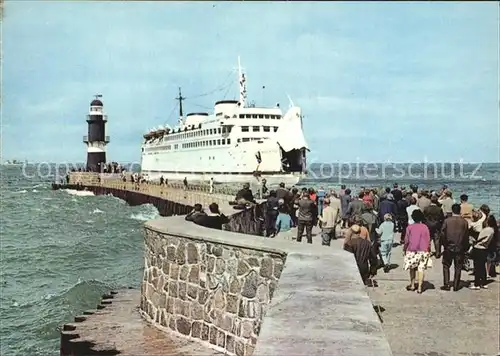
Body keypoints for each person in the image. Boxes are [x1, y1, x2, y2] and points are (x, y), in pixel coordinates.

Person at [440, 204, 469, 291]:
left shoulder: (447, 221)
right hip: (460, 247)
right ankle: (456, 285)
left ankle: (446, 284)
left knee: (446, 265)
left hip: (449, 246)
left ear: (452, 210)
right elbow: (466, 236)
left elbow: (442, 234)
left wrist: (444, 244)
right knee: (458, 267)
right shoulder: (464, 222)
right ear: (460, 211)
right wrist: (465, 247)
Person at [403, 209, 431, 294]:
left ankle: (412, 285)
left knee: (412, 268)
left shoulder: (409, 227)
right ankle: (419, 287)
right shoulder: (425, 227)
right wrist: (429, 249)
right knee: (421, 268)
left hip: (412, 249)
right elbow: (428, 240)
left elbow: (406, 240)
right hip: (423, 250)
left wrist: (404, 249)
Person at [469, 215, 496, 290]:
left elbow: (478, 238)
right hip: (484, 249)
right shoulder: (492, 230)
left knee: (477, 267)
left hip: (479, 248)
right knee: (482, 267)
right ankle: (484, 283)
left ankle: (477, 284)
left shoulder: (487, 230)